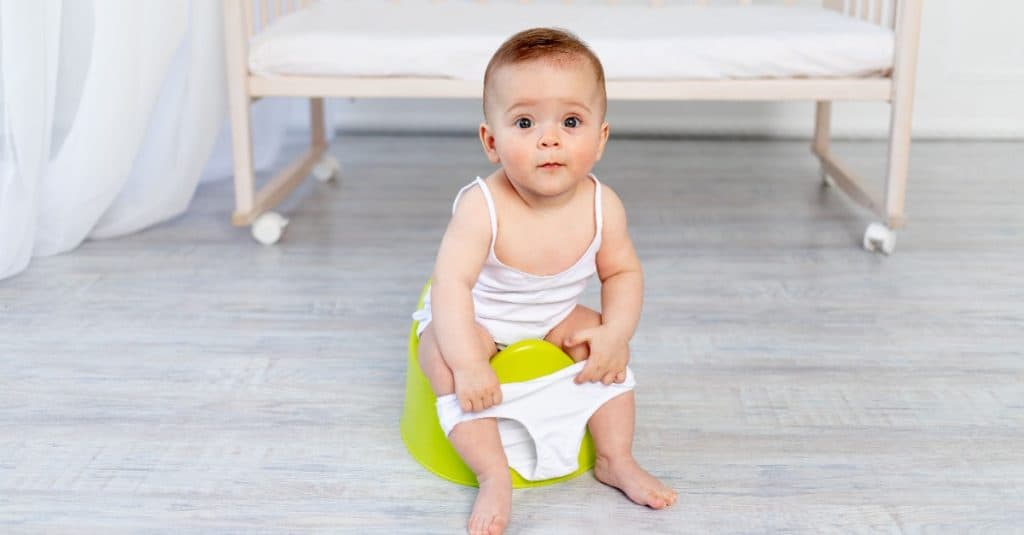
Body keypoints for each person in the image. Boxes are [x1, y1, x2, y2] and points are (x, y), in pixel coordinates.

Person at [413, 27, 677, 535]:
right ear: (492, 141)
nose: (549, 138)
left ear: (600, 139)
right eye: (526, 122)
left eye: (571, 121)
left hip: (552, 315)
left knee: (603, 351)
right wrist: (470, 362)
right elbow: (450, 285)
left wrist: (615, 334)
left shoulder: (604, 204)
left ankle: (615, 458)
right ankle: (493, 474)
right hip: (478, 317)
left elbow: (622, 272)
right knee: (443, 361)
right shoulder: (481, 207)